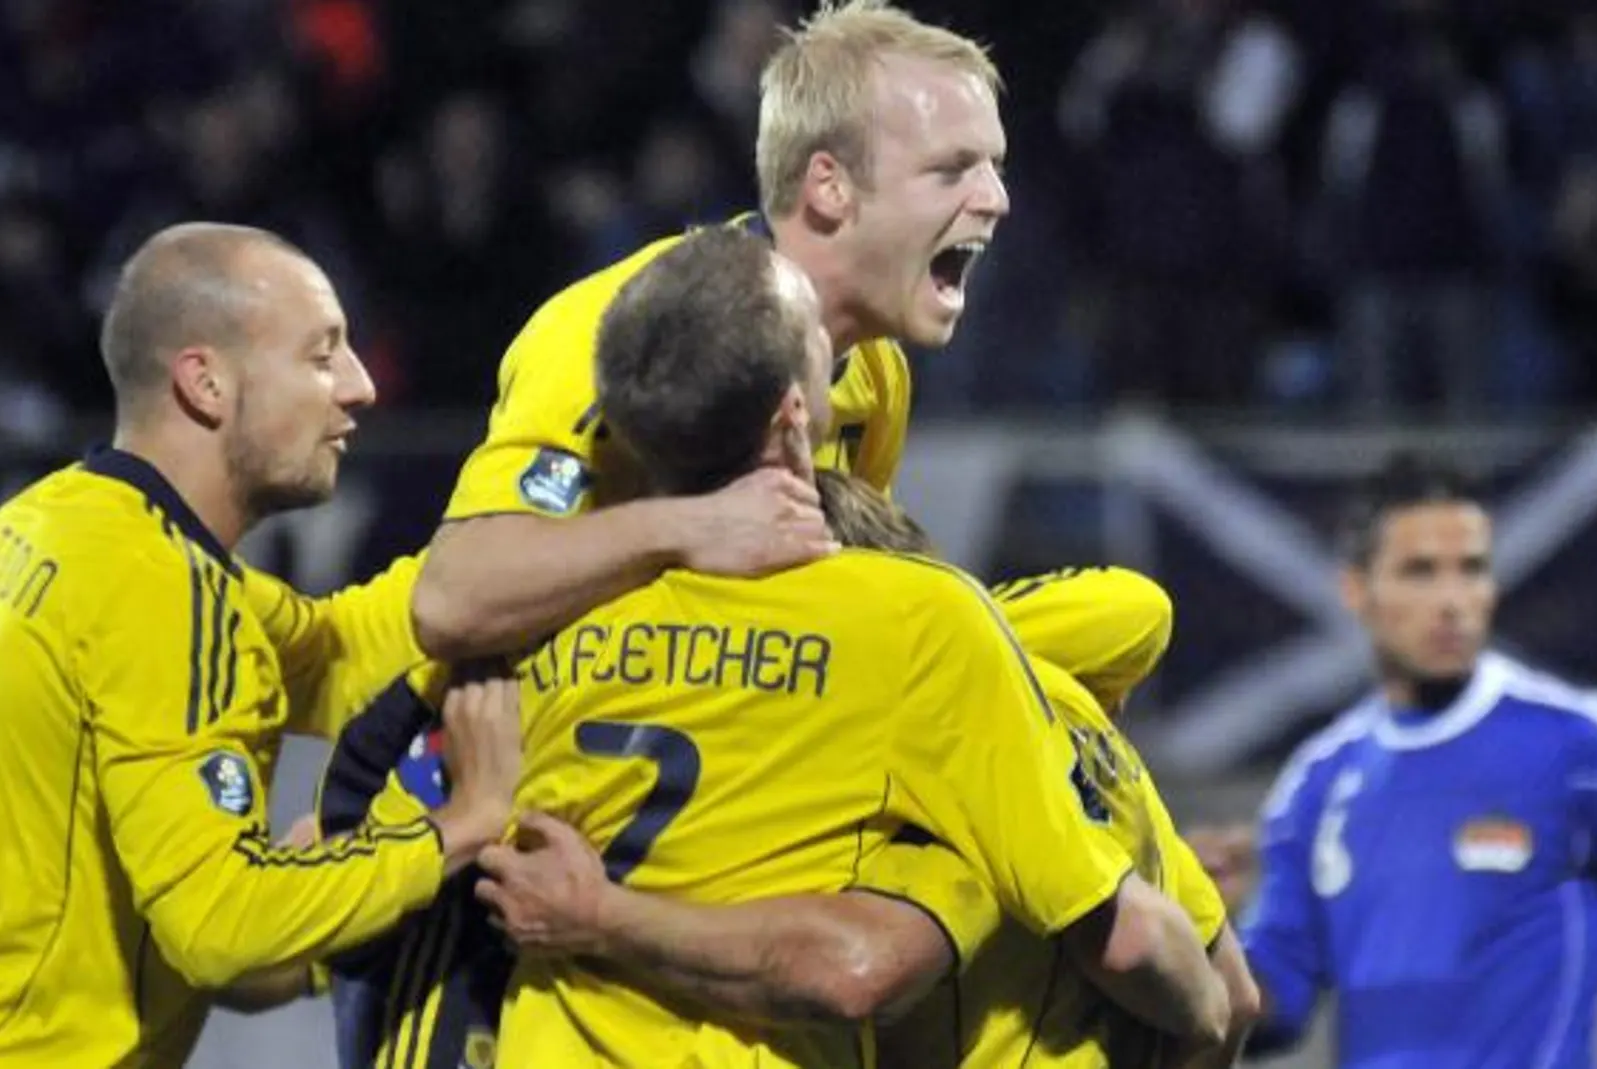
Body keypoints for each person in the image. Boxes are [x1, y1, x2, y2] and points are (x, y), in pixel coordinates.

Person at [488, 225, 1225, 1067]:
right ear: (795, 419)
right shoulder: (911, 624)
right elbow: (1116, 937)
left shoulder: (541, 611)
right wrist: (1207, 1012)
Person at [0, 223, 521, 1069]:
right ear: (204, 382)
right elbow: (222, 929)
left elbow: (342, 650)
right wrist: (459, 828)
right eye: (321, 356)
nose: (359, 388)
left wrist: (536, 540)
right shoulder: (156, 583)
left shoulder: (64, 520)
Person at [476, 470, 1260, 1069]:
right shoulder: (1068, 710)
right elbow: (1237, 997)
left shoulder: (931, 792)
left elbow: (853, 968)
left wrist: (603, 917)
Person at [408, 0, 1015, 663]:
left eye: (995, 167)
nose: (996, 198)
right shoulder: (630, 323)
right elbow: (451, 600)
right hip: (442, 747)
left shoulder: (876, 372)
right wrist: (689, 527)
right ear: (830, 187)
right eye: (952, 169)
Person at [1205, 455, 1597, 1066]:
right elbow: (1273, 1006)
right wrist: (1205, 935)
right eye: (1420, 572)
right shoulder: (1316, 783)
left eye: (1472, 570)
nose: (1452, 601)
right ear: (1358, 590)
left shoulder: (1581, 747)